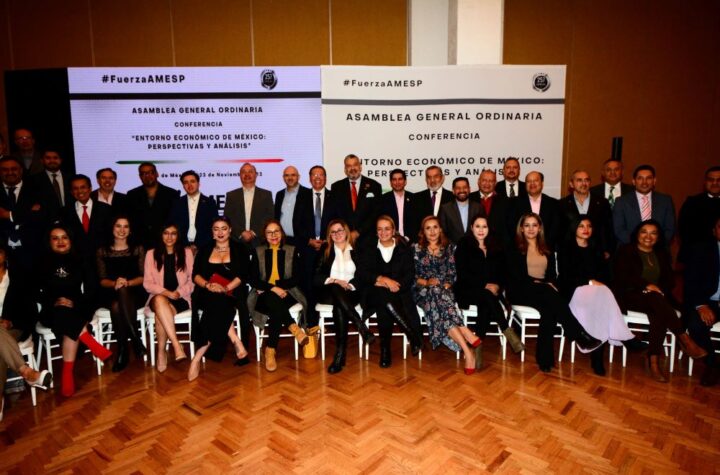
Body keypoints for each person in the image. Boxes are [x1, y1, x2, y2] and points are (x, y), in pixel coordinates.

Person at [612, 220, 707, 382]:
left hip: (656, 299)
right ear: (637, 234)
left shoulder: (661, 253)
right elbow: (622, 276)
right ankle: (684, 338)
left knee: (658, 312)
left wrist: (658, 289)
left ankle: (654, 360)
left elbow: (670, 280)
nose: (648, 236)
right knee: (657, 302)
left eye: (653, 233)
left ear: (658, 237)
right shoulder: (626, 250)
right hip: (630, 296)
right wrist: (646, 285)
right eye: (644, 232)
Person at [505, 213, 601, 373]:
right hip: (520, 290)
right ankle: (578, 334)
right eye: (527, 225)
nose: (531, 229)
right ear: (521, 228)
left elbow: (551, 275)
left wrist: (548, 283)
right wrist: (542, 283)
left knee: (549, 311)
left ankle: (545, 360)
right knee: (549, 293)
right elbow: (515, 276)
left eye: (534, 225)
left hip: (542, 292)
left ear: (540, 228)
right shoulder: (513, 247)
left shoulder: (546, 247)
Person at [557, 216, 647, 375]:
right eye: (581, 226)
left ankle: (597, 357)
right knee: (602, 295)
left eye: (589, 226)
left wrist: (596, 284)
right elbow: (565, 276)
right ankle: (625, 338)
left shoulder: (596, 249)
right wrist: (589, 281)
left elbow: (606, 276)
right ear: (574, 228)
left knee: (601, 303)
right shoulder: (565, 249)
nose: (586, 229)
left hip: (596, 296)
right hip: (574, 292)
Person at [39, 226, 112, 397]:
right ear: (49, 242)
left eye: (64, 237)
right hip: (52, 309)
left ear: (71, 240)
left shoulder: (81, 259)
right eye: (55, 238)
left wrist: (75, 303)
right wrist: (54, 301)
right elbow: (34, 291)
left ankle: (67, 374)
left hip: (77, 306)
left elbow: (91, 289)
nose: (60, 241)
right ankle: (89, 341)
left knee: (69, 322)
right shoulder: (42, 262)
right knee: (64, 314)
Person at [454, 214, 524, 368]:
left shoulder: (496, 246)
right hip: (468, 290)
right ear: (471, 228)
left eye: (484, 226)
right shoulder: (464, 244)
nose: (481, 230)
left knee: (486, 303)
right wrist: (484, 285)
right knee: (486, 296)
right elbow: (462, 273)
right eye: (477, 226)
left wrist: (498, 285)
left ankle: (477, 349)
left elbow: (504, 272)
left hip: (490, 293)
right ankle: (507, 330)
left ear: (489, 229)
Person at [412, 216, 479, 374]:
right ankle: (464, 330)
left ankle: (468, 352)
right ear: (423, 232)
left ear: (441, 229)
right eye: (428, 228)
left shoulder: (449, 248)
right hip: (423, 291)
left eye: (435, 227)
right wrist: (426, 282)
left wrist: (448, 282)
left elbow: (453, 272)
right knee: (434, 291)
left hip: (444, 291)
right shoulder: (416, 249)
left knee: (439, 297)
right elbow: (412, 275)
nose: (432, 231)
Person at [356, 216, 423, 368]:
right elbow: (361, 272)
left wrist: (395, 286)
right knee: (383, 296)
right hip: (372, 294)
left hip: (398, 293)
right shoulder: (369, 248)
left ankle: (385, 349)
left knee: (384, 303)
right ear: (376, 232)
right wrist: (382, 279)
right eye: (380, 229)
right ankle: (411, 334)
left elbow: (409, 274)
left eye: (387, 229)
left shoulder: (403, 249)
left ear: (393, 231)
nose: (383, 232)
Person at [189, 217, 250, 380]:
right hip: (206, 291)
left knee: (220, 302)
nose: (220, 232)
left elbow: (243, 275)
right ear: (212, 232)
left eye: (224, 228)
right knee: (217, 301)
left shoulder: (240, 248)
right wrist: (208, 285)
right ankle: (235, 339)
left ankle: (197, 357)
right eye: (216, 229)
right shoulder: (204, 249)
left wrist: (226, 288)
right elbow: (195, 275)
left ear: (230, 230)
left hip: (233, 291)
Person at [314, 219, 375, 374]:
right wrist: (335, 281)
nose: (337, 234)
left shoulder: (357, 249)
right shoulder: (325, 249)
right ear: (329, 235)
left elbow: (363, 275)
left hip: (351, 292)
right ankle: (361, 326)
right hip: (329, 291)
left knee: (340, 307)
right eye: (333, 232)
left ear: (346, 231)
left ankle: (340, 356)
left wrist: (350, 285)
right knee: (336, 288)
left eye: (340, 230)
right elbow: (316, 276)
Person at [247, 220, 308, 372]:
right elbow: (253, 279)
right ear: (264, 235)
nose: (273, 235)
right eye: (269, 232)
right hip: (263, 294)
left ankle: (270, 350)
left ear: (282, 233)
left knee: (274, 304)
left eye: (276, 231)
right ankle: (293, 328)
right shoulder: (258, 251)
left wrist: (278, 287)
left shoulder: (291, 250)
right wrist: (272, 288)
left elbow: (297, 277)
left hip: (288, 293)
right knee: (273, 301)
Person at [0, 246, 51, 421]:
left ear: (5, 254)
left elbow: (30, 311)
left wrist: (11, 322)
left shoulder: (18, 278)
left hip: (13, 328)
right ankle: (27, 372)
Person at [96, 216, 147, 372]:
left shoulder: (137, 249)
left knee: (117, 304)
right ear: (112, 228)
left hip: (135, 291)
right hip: (110, 291)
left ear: (130, 230)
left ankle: (123, 350)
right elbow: (102, 280)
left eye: (126, 226)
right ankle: (135, 340)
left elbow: (143, 277)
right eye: (118, 226)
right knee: (116, 302)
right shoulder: (102, 251)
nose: (122, 230)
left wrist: (127, 283)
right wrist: (115, 284)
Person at [143, 223, 195, 373]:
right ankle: (176, 345)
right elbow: (147, 283)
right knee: (160, 300)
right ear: (161, 235)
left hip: (180, 297)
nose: (169, 237)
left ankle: (161, 352)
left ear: (178, 236)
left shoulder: (187, 253)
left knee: (160, 315)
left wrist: (178, 292)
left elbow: (192, 280)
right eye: (166, 233)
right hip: (158, 296)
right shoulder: (151, 254)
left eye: (173, 233)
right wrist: (166, 292)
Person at [683, 216, 720, 386]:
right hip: (706, 301)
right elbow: (690, 281)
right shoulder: (701, 250)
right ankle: (712, 364)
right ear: (714, 231)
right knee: (695, 324)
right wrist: (701, 305)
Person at [612, 165, 675, 246]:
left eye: (648, 178)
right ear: (634, 181)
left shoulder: (665, 201)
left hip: (659, 249)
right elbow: (619, 229)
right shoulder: (621, 202)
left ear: (654, 181)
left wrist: (656, 245)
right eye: (640, 178)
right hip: (630, 248)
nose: (644, 182)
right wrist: (639, 246)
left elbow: (670, 229)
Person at [558, 170, 614, 258]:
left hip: (597, 253)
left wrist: (607, 250)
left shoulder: (602, 203)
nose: (584, 183)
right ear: (571, 184)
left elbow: (608, 228)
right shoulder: (562, 204)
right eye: (579, 180)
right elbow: (560, 231)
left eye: (587, 180)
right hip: (570, 253)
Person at [330, 154, 382, 246]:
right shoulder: (336, 187)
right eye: (349, 166)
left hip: (368, 240)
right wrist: (346, 232)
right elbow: (335, 213)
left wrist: (358, 232)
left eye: (355, 165)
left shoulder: (374, 186)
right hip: (343, 238)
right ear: (345, 169)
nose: (352, 168)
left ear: (360, 167)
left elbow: (376, 213)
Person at [126, 162, 180, 248]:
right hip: (139, 244)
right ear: (140, 176)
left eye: (151, 172)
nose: (147, 176)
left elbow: (175, 221)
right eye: (143, 173)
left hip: (165, 243)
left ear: (157, 174)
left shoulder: (172, 194)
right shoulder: (132, 195)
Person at [507, 171, 561, 251]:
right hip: (521, 250)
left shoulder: (554, 204)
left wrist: (545, 246)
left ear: (542, 183)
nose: (532, 184)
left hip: (546, 250)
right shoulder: (513, 203)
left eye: (535, 180)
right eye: (529, 181)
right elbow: (511, 227)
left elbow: (555, 228)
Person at [223, 163, 274, 248]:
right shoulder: (231, 195)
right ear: (240, 175)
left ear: (256, 175)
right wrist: (241, 233)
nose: (247, 174)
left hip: (260, 241)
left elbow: (269, 217)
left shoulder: (266, 195)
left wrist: (253, 232)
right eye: (243, 172)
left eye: (250, 171)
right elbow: (228, 217)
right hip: (237, 241)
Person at [677, 166, 720, 263]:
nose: (715, 183)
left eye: (718, 180)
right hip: (696, 256)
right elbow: (683, 231)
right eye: (711, 180)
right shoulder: (692, 202)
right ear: (705, 182)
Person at [168, 170, 219, 251]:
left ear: (198, 184)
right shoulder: (177, 203)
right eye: (186, 182)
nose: (189, 185)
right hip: (182, 248)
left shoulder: (210, 203)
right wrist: (185, 246)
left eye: (192, 181)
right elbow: (174, 226)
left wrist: (197, 245)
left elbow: (214, 227)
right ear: (183, 186)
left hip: (204, 247)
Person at [469, 169, 511, 248]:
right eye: (484, 180)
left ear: (495, 183)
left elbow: (508, 228)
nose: (487, 184)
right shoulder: (469, 198)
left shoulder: (505, 201)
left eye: (491, 181)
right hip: (472, 245)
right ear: (478, 181)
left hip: (498, 247)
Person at [274, 165, 313, 247]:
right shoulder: (279, 194)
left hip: (302, 241)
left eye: (293, 175)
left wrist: (307, 240)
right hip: (282, 240)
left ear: (298, 177)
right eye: (287, 175)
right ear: (283, 178)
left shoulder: (308, 193)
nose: (290, 178)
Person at [439, 177, 483, 243]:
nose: (462, 190)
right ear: (453, 191)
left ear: (469, 189)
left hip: (474, 247)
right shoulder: (445, 208)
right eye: (458, 188)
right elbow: (443, 232)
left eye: (465, 187)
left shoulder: (478, 207)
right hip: (452, 247)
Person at [380, 169, 417, 242]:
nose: (397, 182)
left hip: (411, 241)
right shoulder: (382, 199)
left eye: (400, 179)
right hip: (389, 240)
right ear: (391, 182)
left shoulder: (414, 199)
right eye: (394, 180)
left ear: (405, 181)